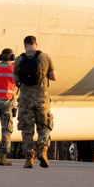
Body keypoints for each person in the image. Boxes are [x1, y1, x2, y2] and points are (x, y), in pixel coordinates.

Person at [13, 35, 56, 168]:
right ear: (36, 44)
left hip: (25, 98)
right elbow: (54, 77)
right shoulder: (45, 57)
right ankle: (42, 150)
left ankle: (29, 159)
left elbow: (15, 81)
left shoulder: (19, 59)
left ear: (25, 45)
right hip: (42, 97)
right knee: (44, 126)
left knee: (27, 129)